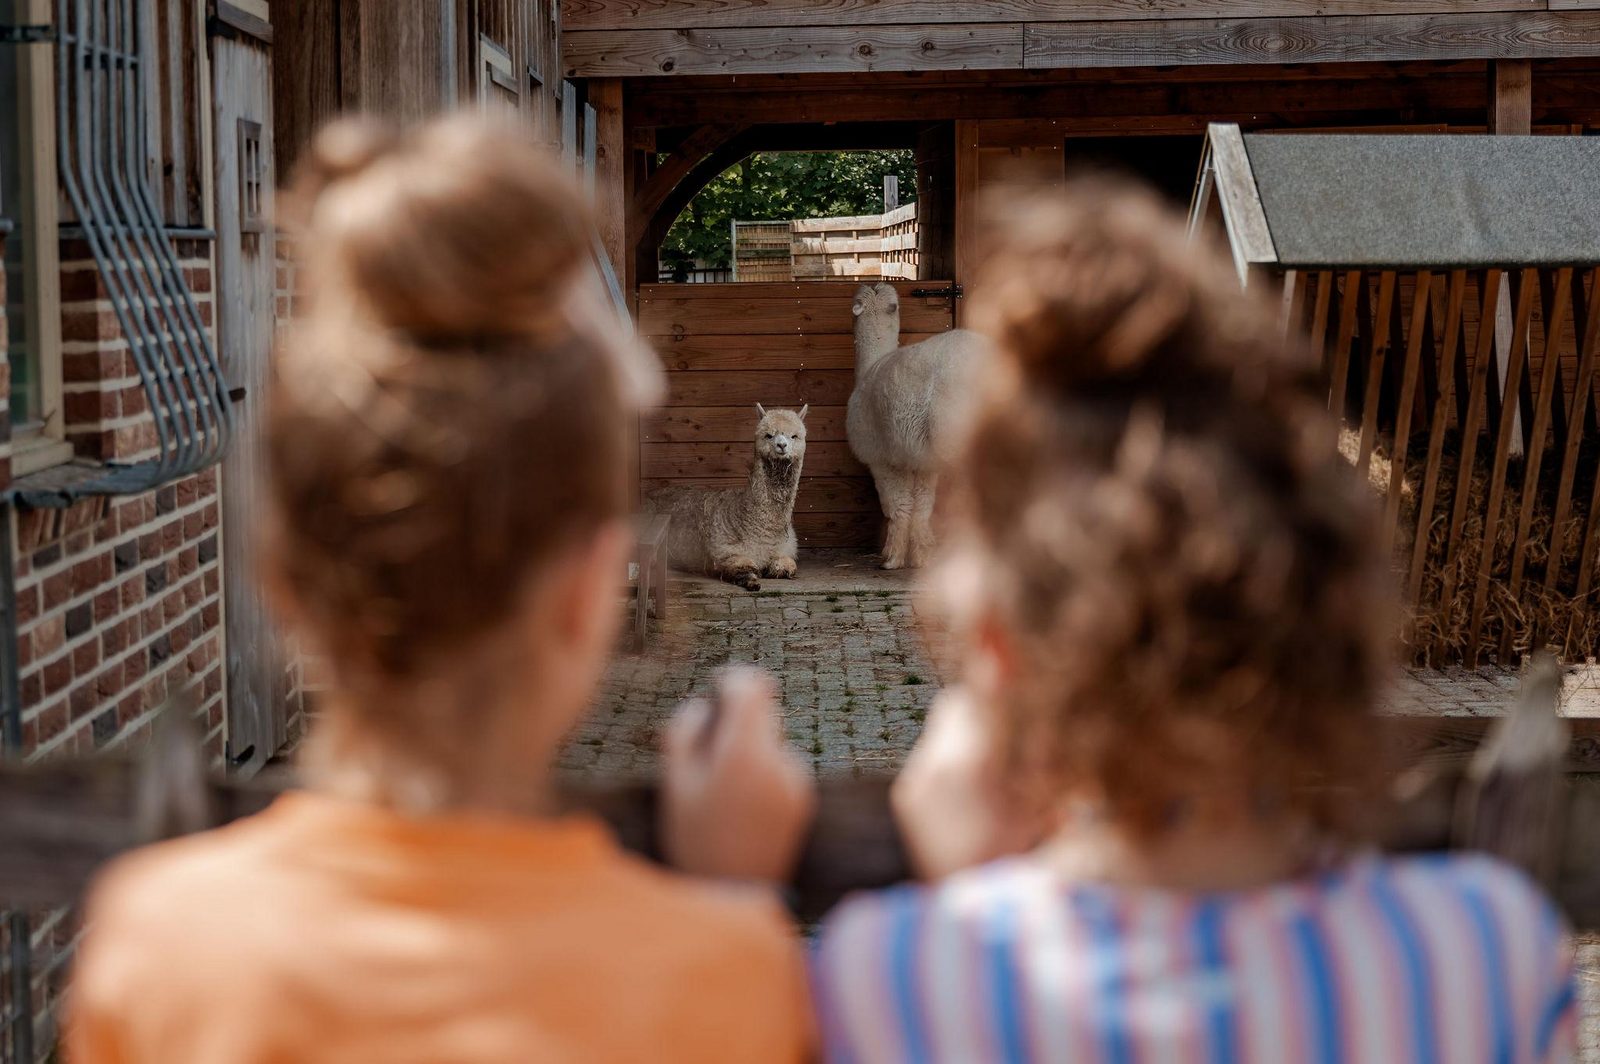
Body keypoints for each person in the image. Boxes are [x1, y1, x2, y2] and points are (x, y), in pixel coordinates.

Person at [67, 116, 814, 1064]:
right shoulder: (728, 971)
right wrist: (731, 900)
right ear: (593, 592)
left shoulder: (154, 948)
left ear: (280, 580)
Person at [808, 180, 1577, 1062]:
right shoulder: (1490, 957)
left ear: (994, 645)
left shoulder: (895, 978)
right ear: (1335, 614)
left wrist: (961, 895)